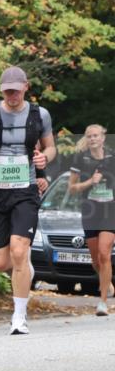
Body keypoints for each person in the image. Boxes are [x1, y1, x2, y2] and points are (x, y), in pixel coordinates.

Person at [0, 65, 55, 335]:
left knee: (19, 249)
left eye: (16, 91)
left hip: (25, 189)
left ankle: (19, 317)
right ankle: (24, 266)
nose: (12, 96)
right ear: (1, 90)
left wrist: (45, 158)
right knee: (0, 263)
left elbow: (50, 147)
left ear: (26, 87)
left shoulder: (40, 114)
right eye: (7, 92)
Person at [67, 124, 114, 316]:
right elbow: (72, 188)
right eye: (89, 136)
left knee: (104, 254)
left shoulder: (112, 157)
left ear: (103, 138)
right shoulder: (80, 159)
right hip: (90, 211)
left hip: (110, 211)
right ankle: (107, 282)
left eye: (96, 135)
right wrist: (89, 182)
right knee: (96, 260)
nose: (93, 139)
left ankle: (103, 302)